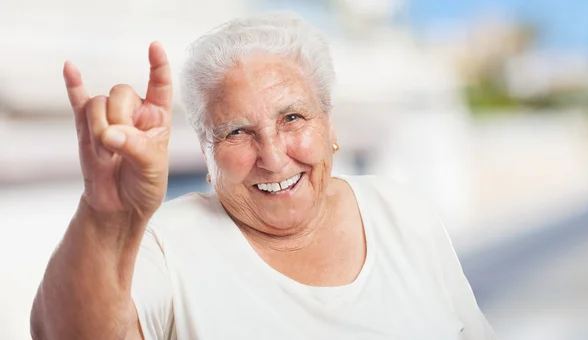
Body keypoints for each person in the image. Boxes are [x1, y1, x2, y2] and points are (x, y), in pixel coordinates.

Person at [30, 12, 495, 340]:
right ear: (208, 154)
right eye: (237, 131)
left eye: (292, 118)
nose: (272, 157)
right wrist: (104, 213)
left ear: (330, 125)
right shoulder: (168, 245)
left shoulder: (403, 212)